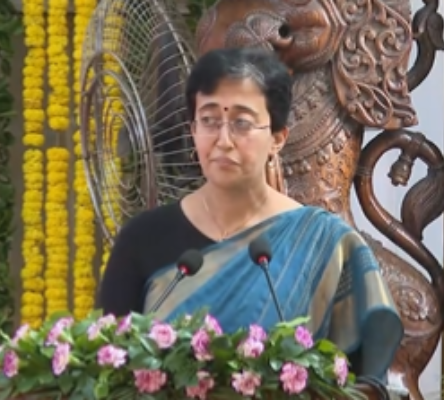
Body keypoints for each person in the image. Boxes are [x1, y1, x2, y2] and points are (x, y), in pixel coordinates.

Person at [95, 47, 404, 380]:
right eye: (210, 121)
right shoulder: (142, 239)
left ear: (277, 138)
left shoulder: (325, 244)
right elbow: (106, 367)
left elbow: (362, 377)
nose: (224, 140)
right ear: (193, 130)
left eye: (242, 123)